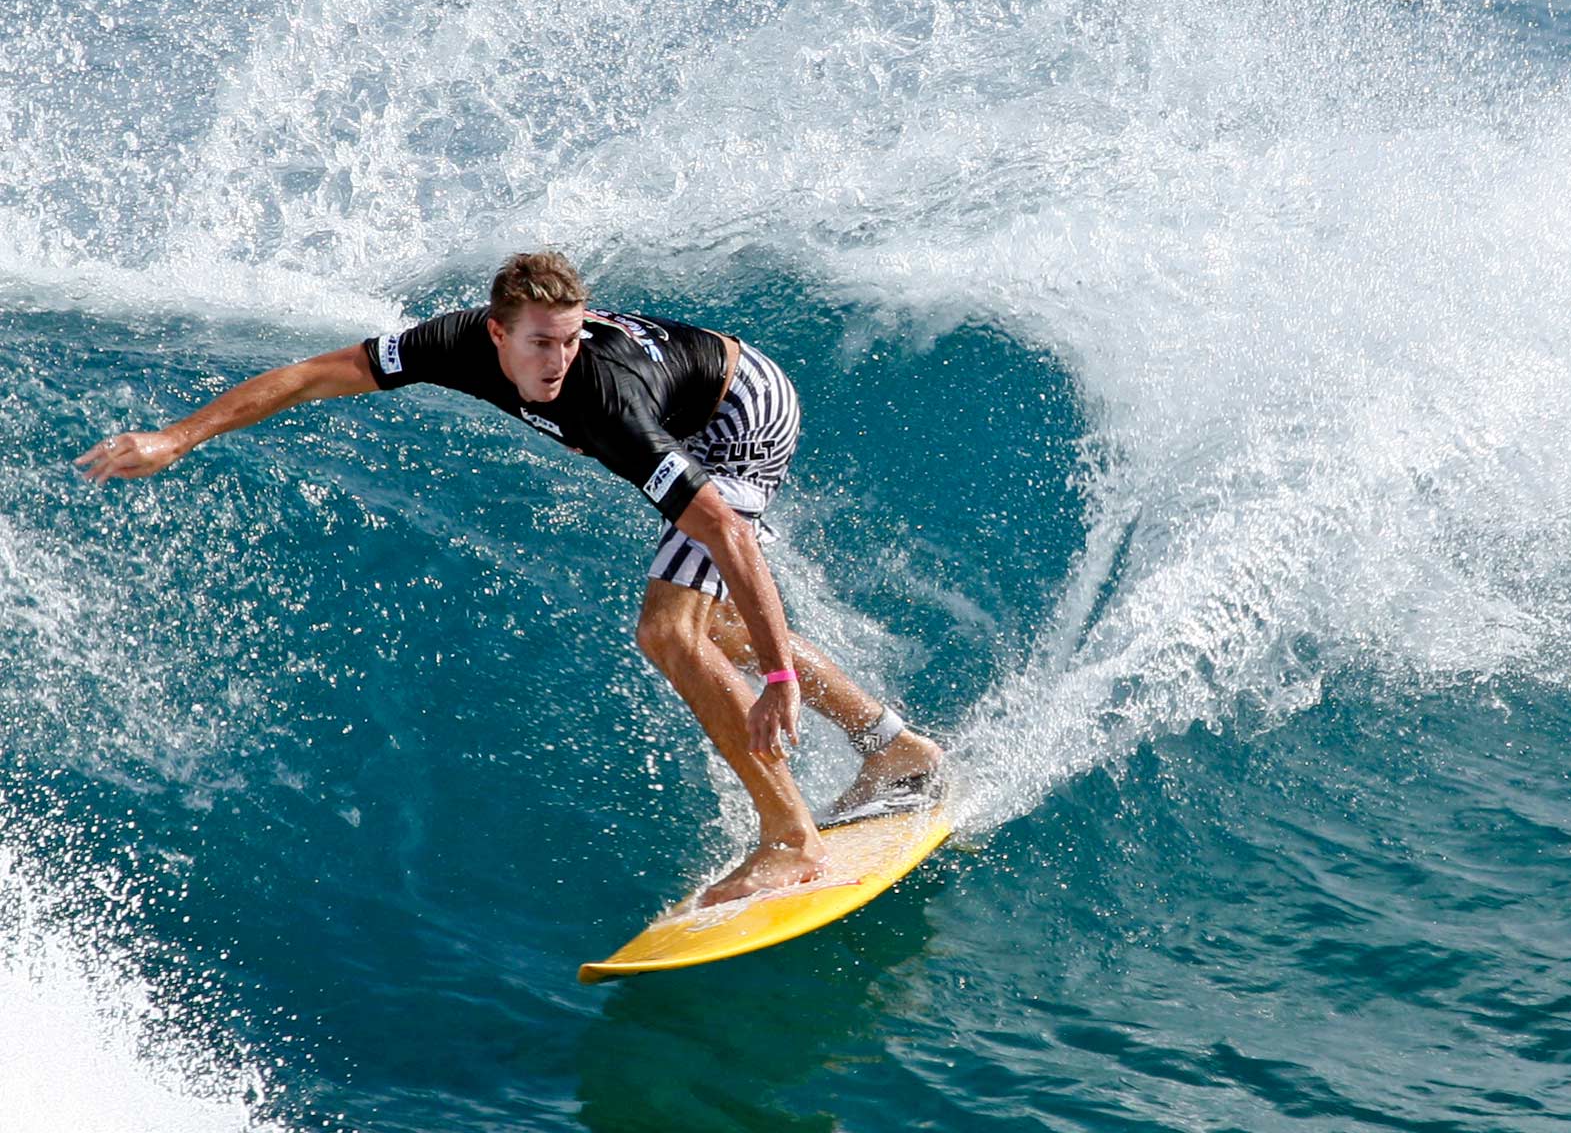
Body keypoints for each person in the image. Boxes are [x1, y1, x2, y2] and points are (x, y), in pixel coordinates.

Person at [77, 251, 943, 905]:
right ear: (494, 333)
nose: (557, 360)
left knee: (669, 629)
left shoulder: (602, 400)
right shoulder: (450, 342)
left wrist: (783, 678)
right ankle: (894, 747)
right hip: (699, 391)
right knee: (709, 628)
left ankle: (790, 837)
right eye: (540, 343)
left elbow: (724, 530)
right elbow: (314, 375)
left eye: (570, 338)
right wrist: (177, 438)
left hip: (743, 414)